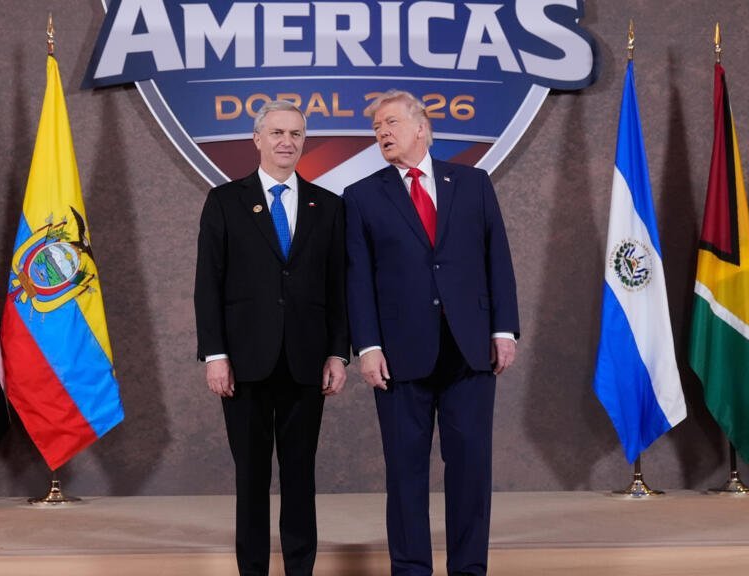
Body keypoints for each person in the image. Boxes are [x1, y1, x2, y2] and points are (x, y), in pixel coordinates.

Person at [343, 90, 519, 576]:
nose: (382, 132)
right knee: (405, 475)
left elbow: (497, 261)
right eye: (377, 126)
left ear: (422, 128)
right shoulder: (361, 196)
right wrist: (368, 347)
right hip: (399, 357)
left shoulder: (474, 183)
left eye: (391, 122)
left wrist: (504, 329)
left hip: (470, 350)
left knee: (470, 472)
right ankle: (411, 569)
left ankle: (468, 568)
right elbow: (357, 279)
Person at [194, 99, 349, 576]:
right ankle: (254, 569)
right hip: (244, 362)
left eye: (296, 134)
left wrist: (337, 354)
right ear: (257, 139)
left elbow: (338, 287)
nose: (287, 142)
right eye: (277, 133)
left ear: (304, 142)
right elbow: (208, 284)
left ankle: (300, 568)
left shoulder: (329, 206)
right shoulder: (224, 200)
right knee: (252, 476)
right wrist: (215, 355)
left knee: (301, 475)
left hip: (306, 360)